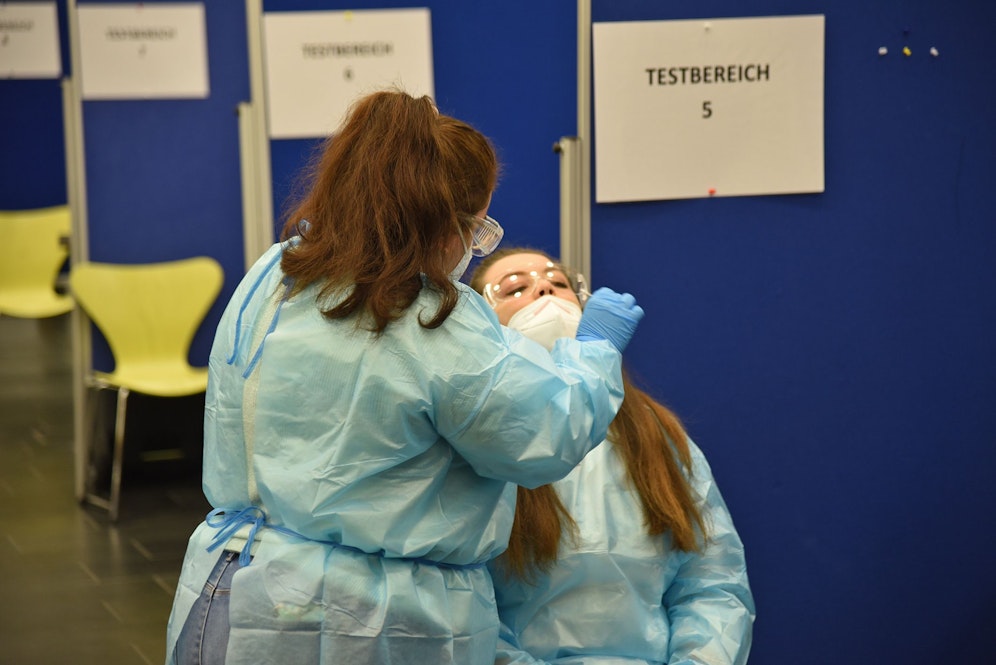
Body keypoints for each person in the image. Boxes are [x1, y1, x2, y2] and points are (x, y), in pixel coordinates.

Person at [164, 91, 646, 665]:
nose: (473, 247)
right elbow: (540, 435)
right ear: (441, 224)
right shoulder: (432, 317)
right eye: (475, 228)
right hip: (365, 622)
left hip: (233, 592)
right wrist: (592, 353)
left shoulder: (277, 274)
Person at [469, 248, 755, 665]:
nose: (544, 287)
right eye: (515, 287)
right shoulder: (474, 442)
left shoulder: (655, 437)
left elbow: (713, 584)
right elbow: (464, 606)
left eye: (559, 282)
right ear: (478, 324)